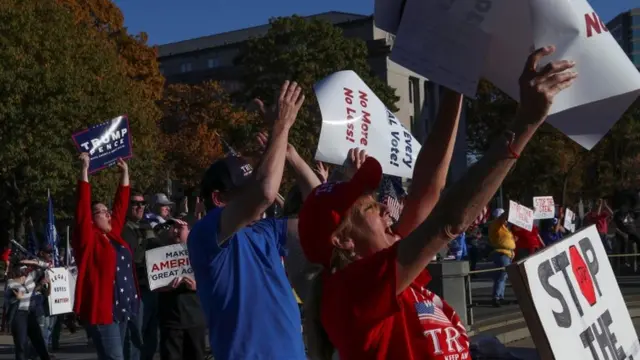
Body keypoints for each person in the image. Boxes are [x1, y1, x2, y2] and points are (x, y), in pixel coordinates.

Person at [300, 46, 576, 359]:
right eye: (368, 208)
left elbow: (428, 188)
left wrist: (456, 86)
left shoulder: (387, 276)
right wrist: (525, 122)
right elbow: (448, 220)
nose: (382, 209)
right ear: (343, 240)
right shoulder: (351, 292)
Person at [188, 80, 320, 359]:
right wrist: (281, 127)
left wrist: (291, 155)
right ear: (219, 199)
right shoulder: (206, 234)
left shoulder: (266, 231)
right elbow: (264, 191)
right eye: (242, 187)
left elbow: (322, 209)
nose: (254, 188)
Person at [73, 153, 141, 360]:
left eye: (107, 210)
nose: (108, 213)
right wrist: (84, 170)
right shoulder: (88, 240)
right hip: (104, 311)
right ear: (92, 220)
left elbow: (121, 207)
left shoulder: (113, 236)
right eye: (101, 212)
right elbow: (82, 210)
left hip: (124, 307)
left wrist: (125, 174)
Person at [155, 219, 206, 360]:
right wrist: (166, 286)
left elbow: (212, 282)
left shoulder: (200, 252)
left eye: (180, 228)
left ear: (190, 231)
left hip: (195, 319)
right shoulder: (159, 255)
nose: (176, 231)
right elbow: (153, 286)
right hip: (171, 320)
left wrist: (196, 286)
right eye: (173, 228)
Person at [121, 191, 162, 360]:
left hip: (154, 287)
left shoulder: (148, 226)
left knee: (152, 336)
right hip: (135, 290)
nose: (139, 207)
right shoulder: (122, 229)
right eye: (135, 203)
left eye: (142, 203)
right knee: (135, 337)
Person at [6, 258, 52, 360]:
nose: (24, 274)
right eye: (22, 272)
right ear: (15, 271)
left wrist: (32, 262)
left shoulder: (29, 277)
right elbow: (8, 300)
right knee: (21, 344)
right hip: (18, 315)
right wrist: (16, 299)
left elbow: (47, 266)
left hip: (30, 313)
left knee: (39, 341)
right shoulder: (11, 283)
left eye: (25, 271)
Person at [488, 208, 516, 307]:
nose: (507, 220)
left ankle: (500, 296)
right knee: (501, 276)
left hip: (507, 254)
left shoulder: (503, 227)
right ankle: (496, 298)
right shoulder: (496, 224)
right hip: (502, 254)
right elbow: (502, 218)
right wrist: (511, 209)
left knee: (502, 276)